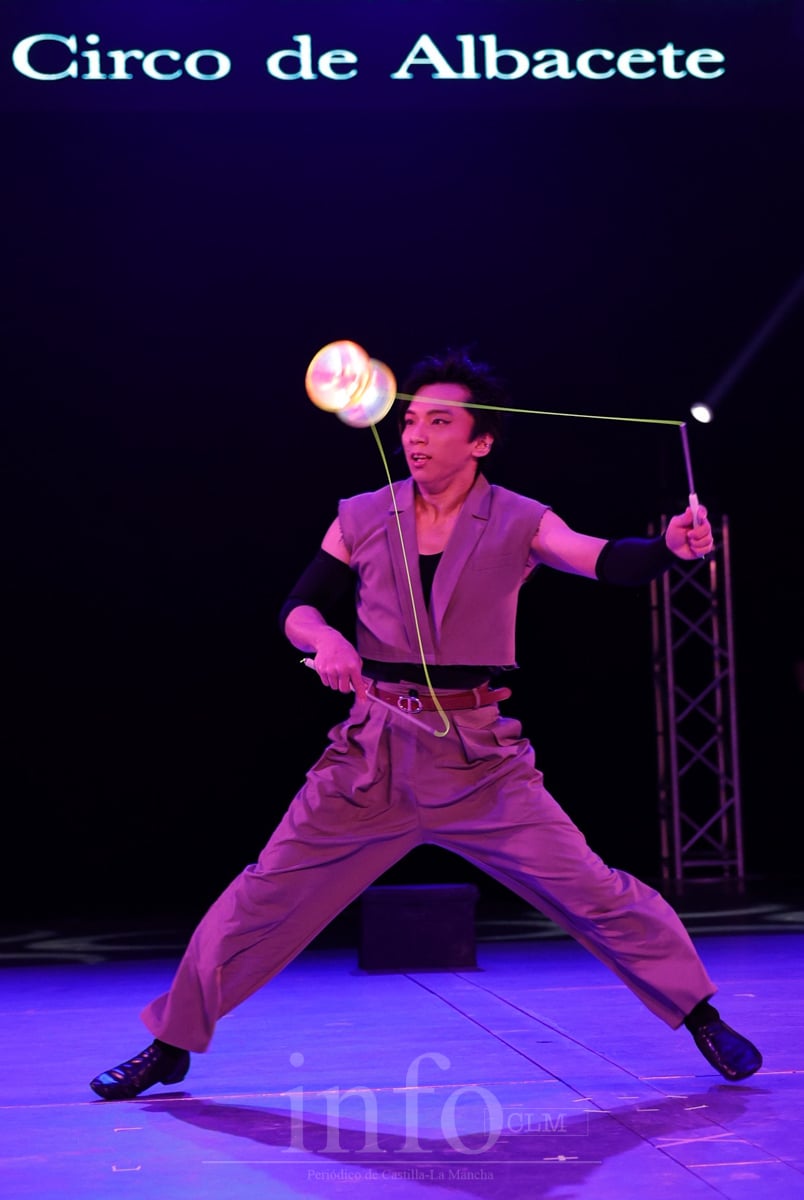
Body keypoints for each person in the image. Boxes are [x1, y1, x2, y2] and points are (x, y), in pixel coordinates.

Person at [90, 347, 762, 1101]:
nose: (416, 435)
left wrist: (667, 548)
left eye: (440, 422)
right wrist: (327, 639)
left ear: (481, 441)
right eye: (410, 420)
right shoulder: (361, 515)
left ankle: (701, 1015)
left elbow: (603, 559)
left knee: (593, 889)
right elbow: (298, 608)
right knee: (262, 897)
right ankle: (171, 1044)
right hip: (370, 758)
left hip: (481, 762)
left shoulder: (520, 518)